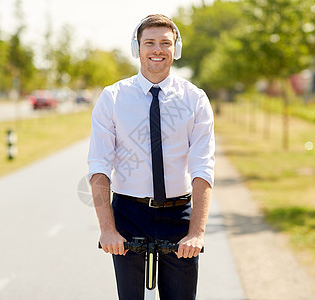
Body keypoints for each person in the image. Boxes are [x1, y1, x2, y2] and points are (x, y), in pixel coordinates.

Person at [87, 14, 215, 300]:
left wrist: (196, 233)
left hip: (178, 214)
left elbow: (203, 168)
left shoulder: (195, 99)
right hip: (129, 214)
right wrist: (107, 230)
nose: (157, 49)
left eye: (165, 43)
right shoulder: (113, 98)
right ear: (138, 49)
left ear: (175, 50)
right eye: (150, 43)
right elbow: (99, 167)